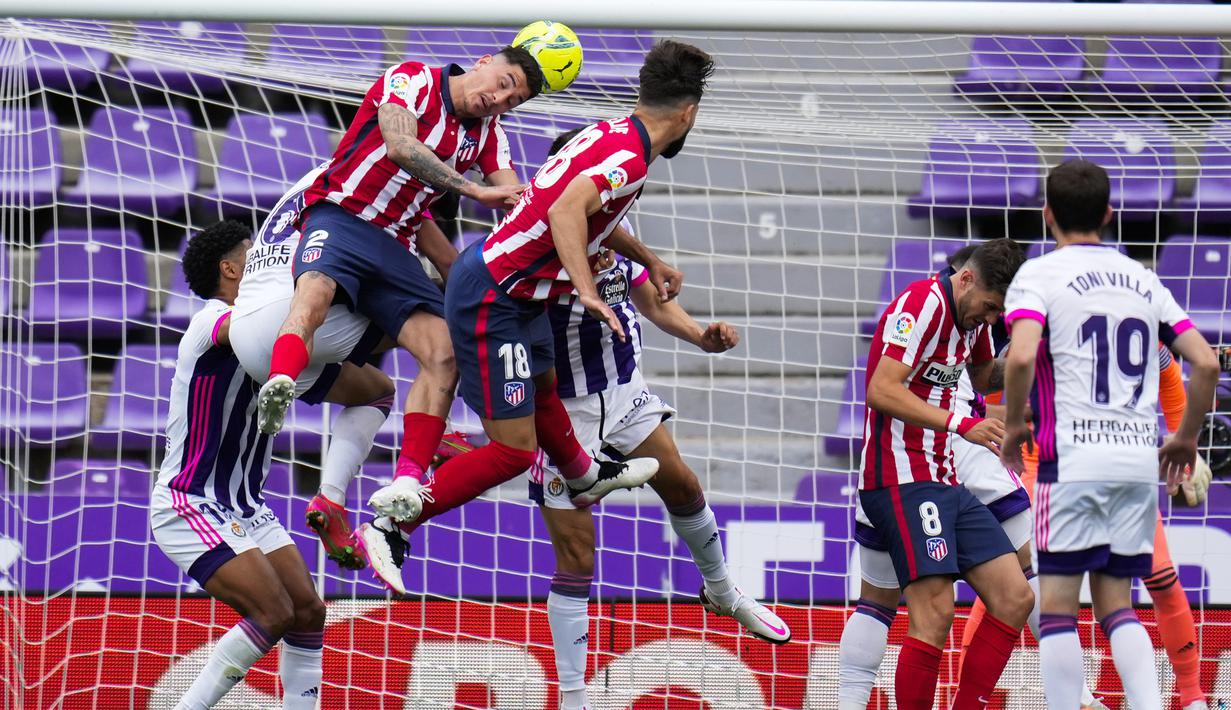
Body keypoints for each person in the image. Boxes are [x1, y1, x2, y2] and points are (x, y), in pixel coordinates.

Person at [355, 41, 709, 593]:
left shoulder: (609, 132)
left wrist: (650, 259)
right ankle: (390, 525)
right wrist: (588, 289)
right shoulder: (631, 159)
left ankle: (585, 473)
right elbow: (569, 211)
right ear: (688, 114)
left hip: (519, 292)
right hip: (495, 294)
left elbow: (581, 207)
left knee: (544, 382)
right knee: (513, 452)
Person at [254, 45, 547, 526]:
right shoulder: (413, 78)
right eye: (504, 82)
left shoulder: (489, 135)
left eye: (513, 101)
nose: (499, 99)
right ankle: (281, 382)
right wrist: (474, 190)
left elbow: (514, 195)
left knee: (444, 350)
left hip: (397, 244)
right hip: (344, 216)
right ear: (484, 62)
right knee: (315, 295)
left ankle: (408, 479)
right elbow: (400, 145)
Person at [1000, 159, 1220, 710]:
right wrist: (1186, 440)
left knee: (1056, 610)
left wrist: (1014, 423)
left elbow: (1023, 354)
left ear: (1047, 214)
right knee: (1118, 606)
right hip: (1135, 464)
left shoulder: (1039, 275)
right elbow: (1208, 364)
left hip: (1069, 461)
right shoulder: (1145, 280)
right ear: (1109, 213)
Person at [149, 225, 388, 708]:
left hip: (245, 507)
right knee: (273, 612)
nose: (267, 268)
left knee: (307, 612)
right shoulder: (212, 322)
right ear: (231, 270)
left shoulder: (277, 352)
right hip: (188, 502)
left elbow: (376, 391)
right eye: (253, 258)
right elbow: (255, 329)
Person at [957, 338, 1213, 709]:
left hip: (1106, 467)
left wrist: (1184, 442)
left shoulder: (1128, 318)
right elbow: (994, 404)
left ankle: (1191, 699)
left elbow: (1171, 377)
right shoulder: (1041, 323)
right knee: (1012, 584)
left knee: (1156, 578)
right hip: (1046, 469)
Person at [837, 245, 1036, 710]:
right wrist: (959, 423)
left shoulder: (976, 323)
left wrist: (1037, 360)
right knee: (935, 612)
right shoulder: (923, 303)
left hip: (942, 477)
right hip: (899, 477)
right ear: (966, 280)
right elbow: (880, 390)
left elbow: (984, 379)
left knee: (1014, 597)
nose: (989, 319)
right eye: (989, 307)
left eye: (998, 313)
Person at [230, 167, 451, 570]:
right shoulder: (392, 178)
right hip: (301, 311)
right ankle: (445, 432)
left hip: (251, 331)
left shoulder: (317, 177)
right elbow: (446, 260)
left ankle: (331, 500)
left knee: (377, 391)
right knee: (440, 318)